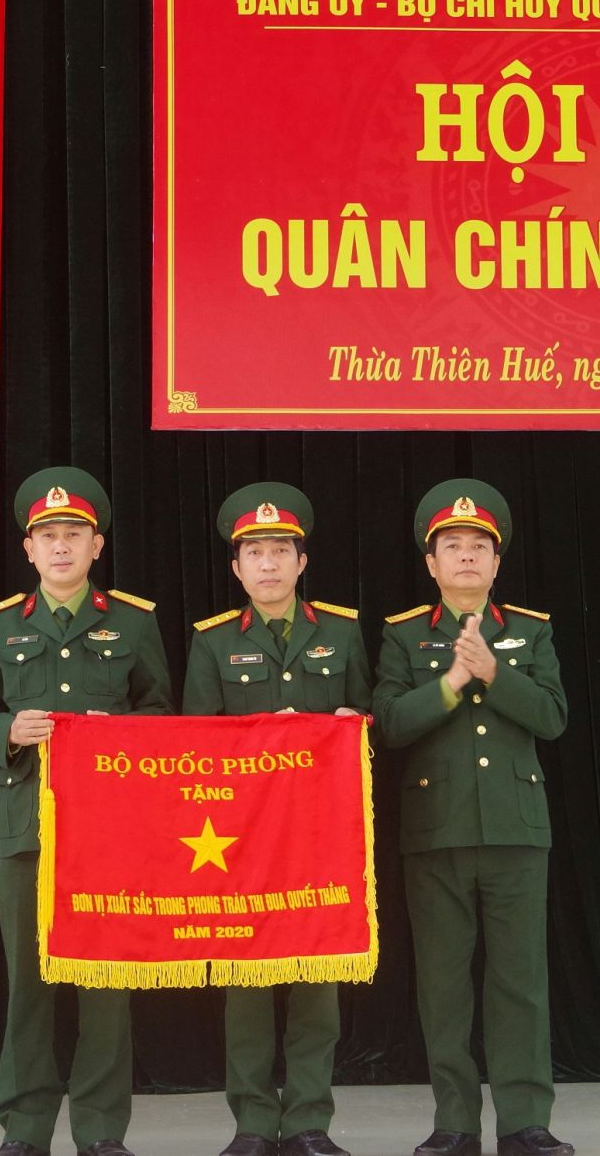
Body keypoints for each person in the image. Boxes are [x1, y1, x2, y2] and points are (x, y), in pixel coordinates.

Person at [0, 466, 172, 1156]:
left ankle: (102, 1132)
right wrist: (8, 732)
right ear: (28, 549)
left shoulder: (133, 622)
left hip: (110, 831)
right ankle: (24, 1131)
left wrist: (122, 737)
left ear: (96, 546)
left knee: (105, 982)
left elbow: (160, 712)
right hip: (28, 826)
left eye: (73, 535)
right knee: (30, 986)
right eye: (47, 536)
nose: (60, 546)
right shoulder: (0, 626)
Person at [372, 479, 572, 1156]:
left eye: (478, 547)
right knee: (443, 985)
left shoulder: (531, 631)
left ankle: (525, 1123)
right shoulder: (404, 635)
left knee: (520, 983)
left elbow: (553, 716)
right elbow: (390, 724)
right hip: (436, 832)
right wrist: (453, 682)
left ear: (496, 561)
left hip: (516, 831)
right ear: (431, 563)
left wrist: (494, 672)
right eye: (452, 546)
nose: (466, 556)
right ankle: (455, 1122)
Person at [183, 481, 370, 1156]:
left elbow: (367, 718)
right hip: (243, 840)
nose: (268, 564)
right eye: (255, 553)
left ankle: (310, 1123)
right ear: (237, 568)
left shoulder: (341, 633)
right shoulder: (211, 643)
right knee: (248, 986)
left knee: (317, 982)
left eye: (281, 551)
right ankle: (255, 1125)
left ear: (302, 562)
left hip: (321, 833)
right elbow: (197, 746)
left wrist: (351, 723)